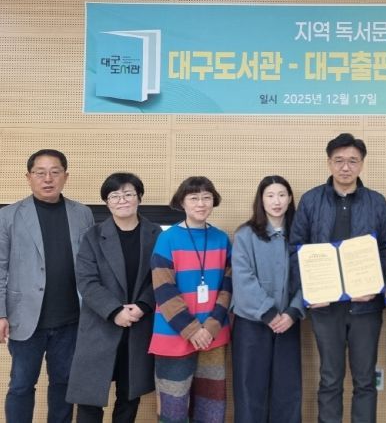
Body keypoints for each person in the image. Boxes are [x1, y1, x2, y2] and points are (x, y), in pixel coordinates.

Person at [289, 133, 386, 423]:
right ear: (329, 163)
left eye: (352, 161)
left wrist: (375, 287)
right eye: (339, 161)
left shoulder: (376, 202)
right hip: (326, 308)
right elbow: (296, 249)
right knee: (330, 379)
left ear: (362, 164)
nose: (345, 167)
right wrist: (310, 293)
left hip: (366, 307)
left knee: (365, 380)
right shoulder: (311, 200)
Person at [0, 149, 95, 423]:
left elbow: (91, 263)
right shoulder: (8, 216)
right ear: (28, 177)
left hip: (71, 320)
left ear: (66, 176)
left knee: (63, 385)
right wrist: (1, 313)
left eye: (55, 172)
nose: (48, 179)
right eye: (40, 173)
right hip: (25, 318)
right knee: (21, 385)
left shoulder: (83, 214)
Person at [66, 173, 162, 422]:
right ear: (107, 202)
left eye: (128, 194)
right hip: (100, 324)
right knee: (89, 399)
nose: (122, 200)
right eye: (114, 196)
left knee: (129, 397)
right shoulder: (92, 236)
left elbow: (163, 277)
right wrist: (115, 311)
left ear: (139, 198)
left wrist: (143, 305)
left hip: (139, 324)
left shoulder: (157, 235)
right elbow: (87, 281)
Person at [149, 176, 232, 423]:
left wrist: (210, 327)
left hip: (214, 336)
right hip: (173, 334)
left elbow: (228, 287)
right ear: (182, 202)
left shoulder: (221, 239)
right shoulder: (167, 239)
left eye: (206, 197)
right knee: (173, 411)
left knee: (211, 409)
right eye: (194, 198)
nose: (201, 203)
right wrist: (193, 330)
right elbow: (163, 289)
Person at [232, 175, 304, 423]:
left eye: (282, 195)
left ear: (290, 199)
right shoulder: (245, 234)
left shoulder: (300, 235)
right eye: (270, 195)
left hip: (288, 323)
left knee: (287, 391)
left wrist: (293, 312)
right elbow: (242, 278)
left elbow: (310, 278)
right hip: (252, 323)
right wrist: (269, 313)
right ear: (261, 200)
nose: (277, 201)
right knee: (250, 389)